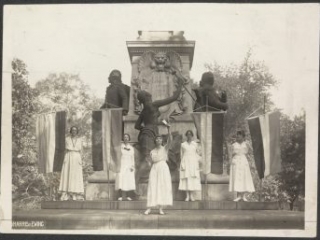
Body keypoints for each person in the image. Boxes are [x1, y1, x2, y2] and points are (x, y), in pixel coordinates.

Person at [134, 71, 184, 194]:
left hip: (147, 134)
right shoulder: (153, 105)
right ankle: (135, 185)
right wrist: (181, 84)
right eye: (147, 94)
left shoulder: (144, 110)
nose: (149, 94)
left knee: (148, 159)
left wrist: (145, 129)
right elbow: (173, 98)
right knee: (147, 161)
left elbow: (136, 126)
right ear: (146, 97)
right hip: (149, 134)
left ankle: (139, 183)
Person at [144, 125, 173, 215]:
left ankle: (160, 208)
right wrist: (148, 163)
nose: (158, 140)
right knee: (152, 186)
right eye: (157, 139)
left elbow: (170, 140)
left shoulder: (165, 149)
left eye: (160, 139)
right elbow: (150, 162)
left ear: (162, 141)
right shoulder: (152, 151)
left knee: (161, 187)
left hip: (163, 168)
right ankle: (149, 208)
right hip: (154, 169)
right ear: (155, 141)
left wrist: (169, 129)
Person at [59, 126, 84, 201]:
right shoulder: (67, 139)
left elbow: (81, 150)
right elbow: (64, 150)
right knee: (67, 174)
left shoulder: (80, 140)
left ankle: (75, 194)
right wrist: (65, 159)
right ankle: (65, 194)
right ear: (70, 131)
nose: (74, 132)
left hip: (77, 157)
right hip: (69, 156)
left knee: (76, 175)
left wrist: (81, 160)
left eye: (75, 130)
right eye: (72, 130)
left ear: (77, 131)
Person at [229, 130, 255, 202]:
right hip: (236, 161)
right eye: (237, 136)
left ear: (243, 137)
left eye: (240, 136)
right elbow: (231, 154)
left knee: (244, 177)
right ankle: (239, 195)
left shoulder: (246, 144)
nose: (238, 138)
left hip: (243, 161)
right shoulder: (234, 145)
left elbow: (251, 152)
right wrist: (231, 161)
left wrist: (249, 146)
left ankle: (243, 196)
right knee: (237, 177)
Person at [179, 130, 202, 201]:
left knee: (192, 178)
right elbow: (181, 155)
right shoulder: (183, 144)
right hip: (185, 162)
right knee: (186, 178)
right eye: (188, 134)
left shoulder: (195, 144)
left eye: (190, 135)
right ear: (186, 136)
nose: (189, 136)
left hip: (193, 163)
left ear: (192, 136)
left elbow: (198, 153)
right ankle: (187, 196)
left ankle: (191, 196)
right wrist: (182, 164)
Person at [115, 133, 135, 201]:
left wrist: (132, 166)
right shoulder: (120, 148)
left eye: (127, 137)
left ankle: (128, 196)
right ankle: (120, 196)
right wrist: (118, 166)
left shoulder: (131, 148)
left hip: (129, 165)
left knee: (128, 179)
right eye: (124, 137)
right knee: (121, 179)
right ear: (123, 139)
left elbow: (132, 158)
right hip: (122, 165)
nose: (126, 138)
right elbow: (118, 157)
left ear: (129, 139)